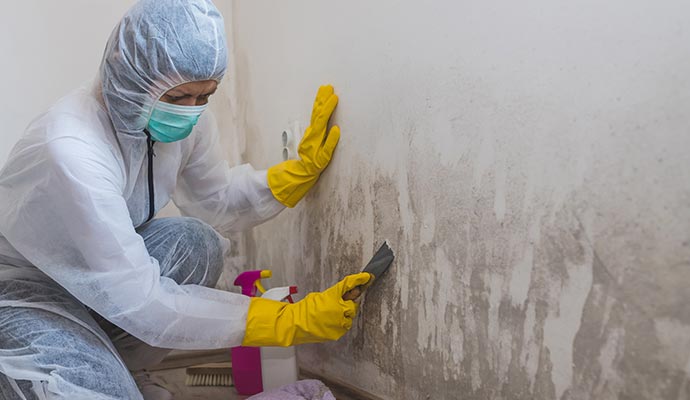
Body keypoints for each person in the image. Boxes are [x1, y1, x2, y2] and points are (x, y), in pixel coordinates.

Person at [0, 0, 370, 399]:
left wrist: (294, 175)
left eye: (205, 96)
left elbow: (215, 201)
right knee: (100, 391)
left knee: (196, 243)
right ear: (130, 73)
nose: (191, 111)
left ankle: (124, 367)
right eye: (178, 98)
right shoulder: (71, 147)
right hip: (26, 289)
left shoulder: (185, 117)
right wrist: (286, 319)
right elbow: (142, 301)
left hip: (100, 282)